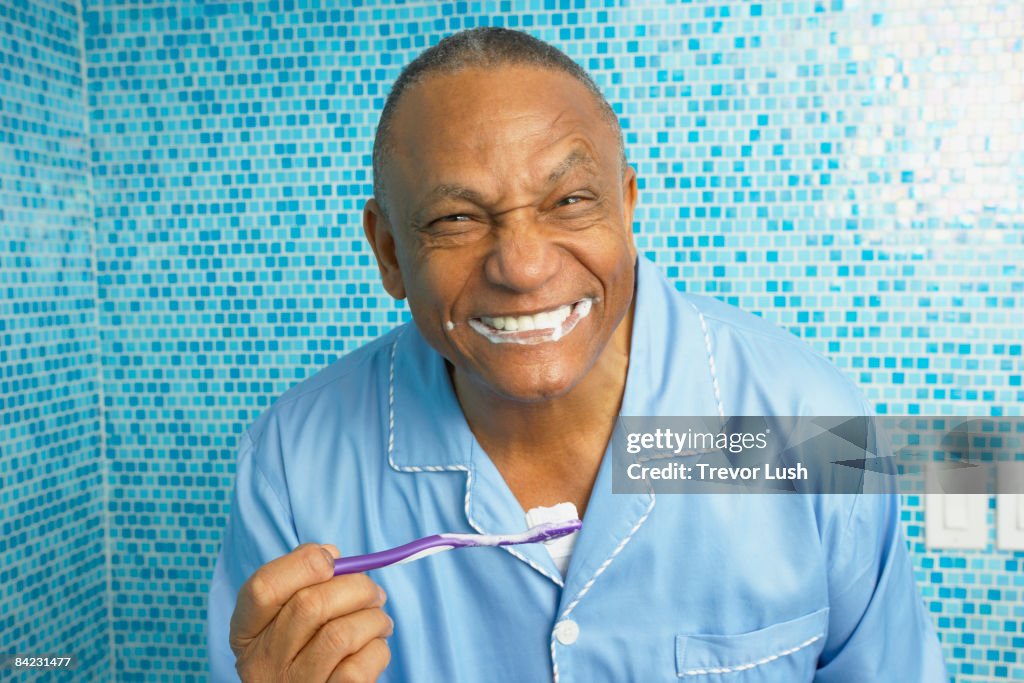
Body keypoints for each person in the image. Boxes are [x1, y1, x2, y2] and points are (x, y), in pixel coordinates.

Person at [208, 27, 946, 682]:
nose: (523, 267)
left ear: (627, 206)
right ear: (389, 251)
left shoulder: (809, 425)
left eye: (569, 201)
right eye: (456, 217)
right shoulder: (291, 467)